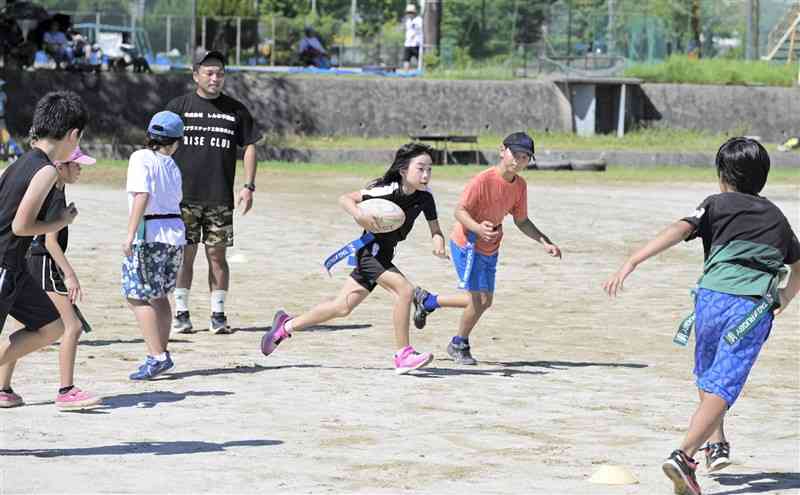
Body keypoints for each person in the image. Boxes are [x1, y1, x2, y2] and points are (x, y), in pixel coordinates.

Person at [602, 137, 800, 495]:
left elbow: (679, 229)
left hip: (708, 300)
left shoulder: (716, 203)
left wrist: (633, 260)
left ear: (722, 175)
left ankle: (716, 442)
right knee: (723, 385)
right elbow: (798, 265)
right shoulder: (776, 218)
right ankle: (685, 456)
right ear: (763, 177)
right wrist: (783, 298)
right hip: (750, 309)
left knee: (709, 377)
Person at [261, 143, 446, 375]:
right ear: (403, 170)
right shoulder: (385, 190)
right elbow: (345, 198)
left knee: (341, 308)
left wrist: (438, 240)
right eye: (420, 168)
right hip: (370, 253)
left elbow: (435, 229)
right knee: (405, 291)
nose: (426, 174)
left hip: (384, 254)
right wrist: (360, 215)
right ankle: (403, 355)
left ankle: (285, 326)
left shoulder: (425, 198)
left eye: (429, 169)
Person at [411, 132, 562, 365]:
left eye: (525, 157)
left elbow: (521, 220)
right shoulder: (482, 180)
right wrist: (478, 229)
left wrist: (544, 241)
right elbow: (459, 212)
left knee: (485, 301)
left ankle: (428, 301)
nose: (519, 160)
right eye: (516, 153)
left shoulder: (520, 186)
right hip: (466, 243)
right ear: (502, 150)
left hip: (490, 246)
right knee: (477, 300)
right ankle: (458, 343)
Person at [0, 90, 86, 408]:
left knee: (53, 326)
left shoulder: (20, 161)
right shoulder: (47, 169)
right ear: (73, 134)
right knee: (55, 327)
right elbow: (21, 227)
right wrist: (60, 221)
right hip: (4, 265)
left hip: (16, 268)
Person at [166, 50, 261, 335]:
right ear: (196, 75)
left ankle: (218, 315)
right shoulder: (178, 107)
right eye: (208, 72)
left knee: (217, 257)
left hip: (219, 198)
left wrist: (248, 186)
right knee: (185, 255)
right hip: (183, 198)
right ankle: (181, 313)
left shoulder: (236, 110)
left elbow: (250, 146)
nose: (214, 78)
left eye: (219, 73)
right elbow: (157, 146)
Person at [122, 111, 186, 381]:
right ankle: (162, 351)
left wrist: (129, 235)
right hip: (175, 235)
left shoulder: (141, 157)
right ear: (175, 142)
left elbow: (142, 196)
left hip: (150, 235)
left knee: (135, 295)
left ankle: (156, 355)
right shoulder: (171, 164)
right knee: (159, 295)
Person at [402, 4, 423, 71]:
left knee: (419, 60)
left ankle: (421, 73)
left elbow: (420, 30)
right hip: (408, 43)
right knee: (406, 59)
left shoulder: (419, 20)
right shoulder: (408, 21)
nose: (409, 14)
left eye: (410, 12)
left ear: (414, 13)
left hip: (416, 44)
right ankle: (406, 75)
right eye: (408, 12)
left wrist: (414, 36)